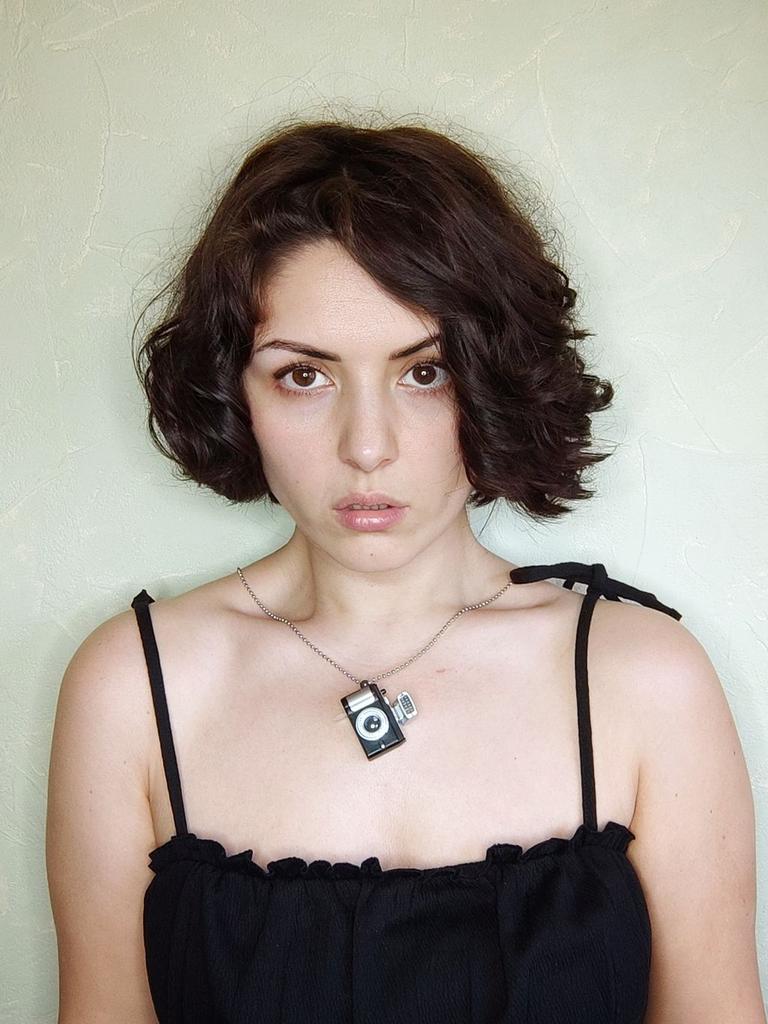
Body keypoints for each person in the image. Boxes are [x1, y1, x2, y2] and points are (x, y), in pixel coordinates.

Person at [46, 118, 765, 1023]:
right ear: (235, 389)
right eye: (303, 376)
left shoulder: (644, 679)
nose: (367, 446)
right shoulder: (130, 687)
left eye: (425, 372)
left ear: (495, 378)